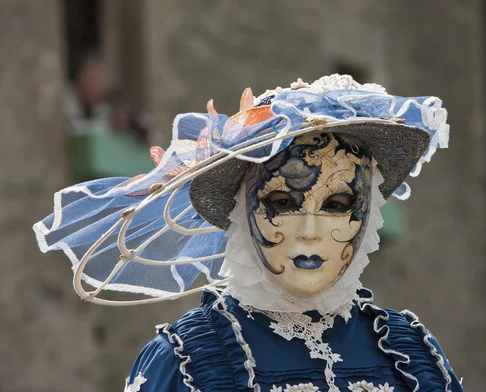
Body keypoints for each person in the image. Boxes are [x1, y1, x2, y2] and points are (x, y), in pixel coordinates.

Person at [34, 74, 462, 392]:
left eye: (337, 206)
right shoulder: (189, 362)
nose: (309, 232)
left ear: (367, 215)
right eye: (281, 204)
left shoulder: (410, 357)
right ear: (242, 210)